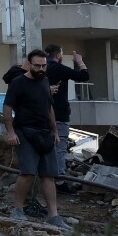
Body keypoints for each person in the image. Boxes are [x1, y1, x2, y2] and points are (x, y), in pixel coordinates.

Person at [3, 50, 67, 229]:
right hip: (24, 132)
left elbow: (49, 108)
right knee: (28, 173)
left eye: (44, 65)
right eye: (37, 65)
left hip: (45, 133)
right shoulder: (18, 83)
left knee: (48, 175)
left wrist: (55, 132)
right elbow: (7, 108)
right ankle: (18, 209)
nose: (41, 69)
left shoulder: (45, 81)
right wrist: (10, 132)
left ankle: (53, 215)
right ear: (29, 64)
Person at [44, 45, 90, 189]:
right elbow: (84, 76)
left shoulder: (39, 69)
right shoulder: (59, 68)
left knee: (44, 147)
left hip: (40, 113)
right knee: (59, 147)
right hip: (59, 114)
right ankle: (59, 181)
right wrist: (79, 61)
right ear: (58, 55)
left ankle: (45, 179)